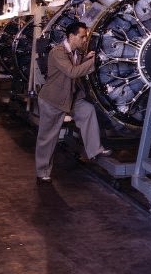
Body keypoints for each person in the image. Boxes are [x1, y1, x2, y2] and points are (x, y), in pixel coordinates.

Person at [35, 21, 111, 184]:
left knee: (88, 110)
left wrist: (88, 57)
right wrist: (94, 62)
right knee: (48, 137)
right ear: (71, 36)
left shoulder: (77, 52)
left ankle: (94, 150)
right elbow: (71, 72)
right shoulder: (57, 52)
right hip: (53, 100)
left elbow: (77, 64)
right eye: (82, 37)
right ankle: (42, 171)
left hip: (71, 96)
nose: (85, 40)